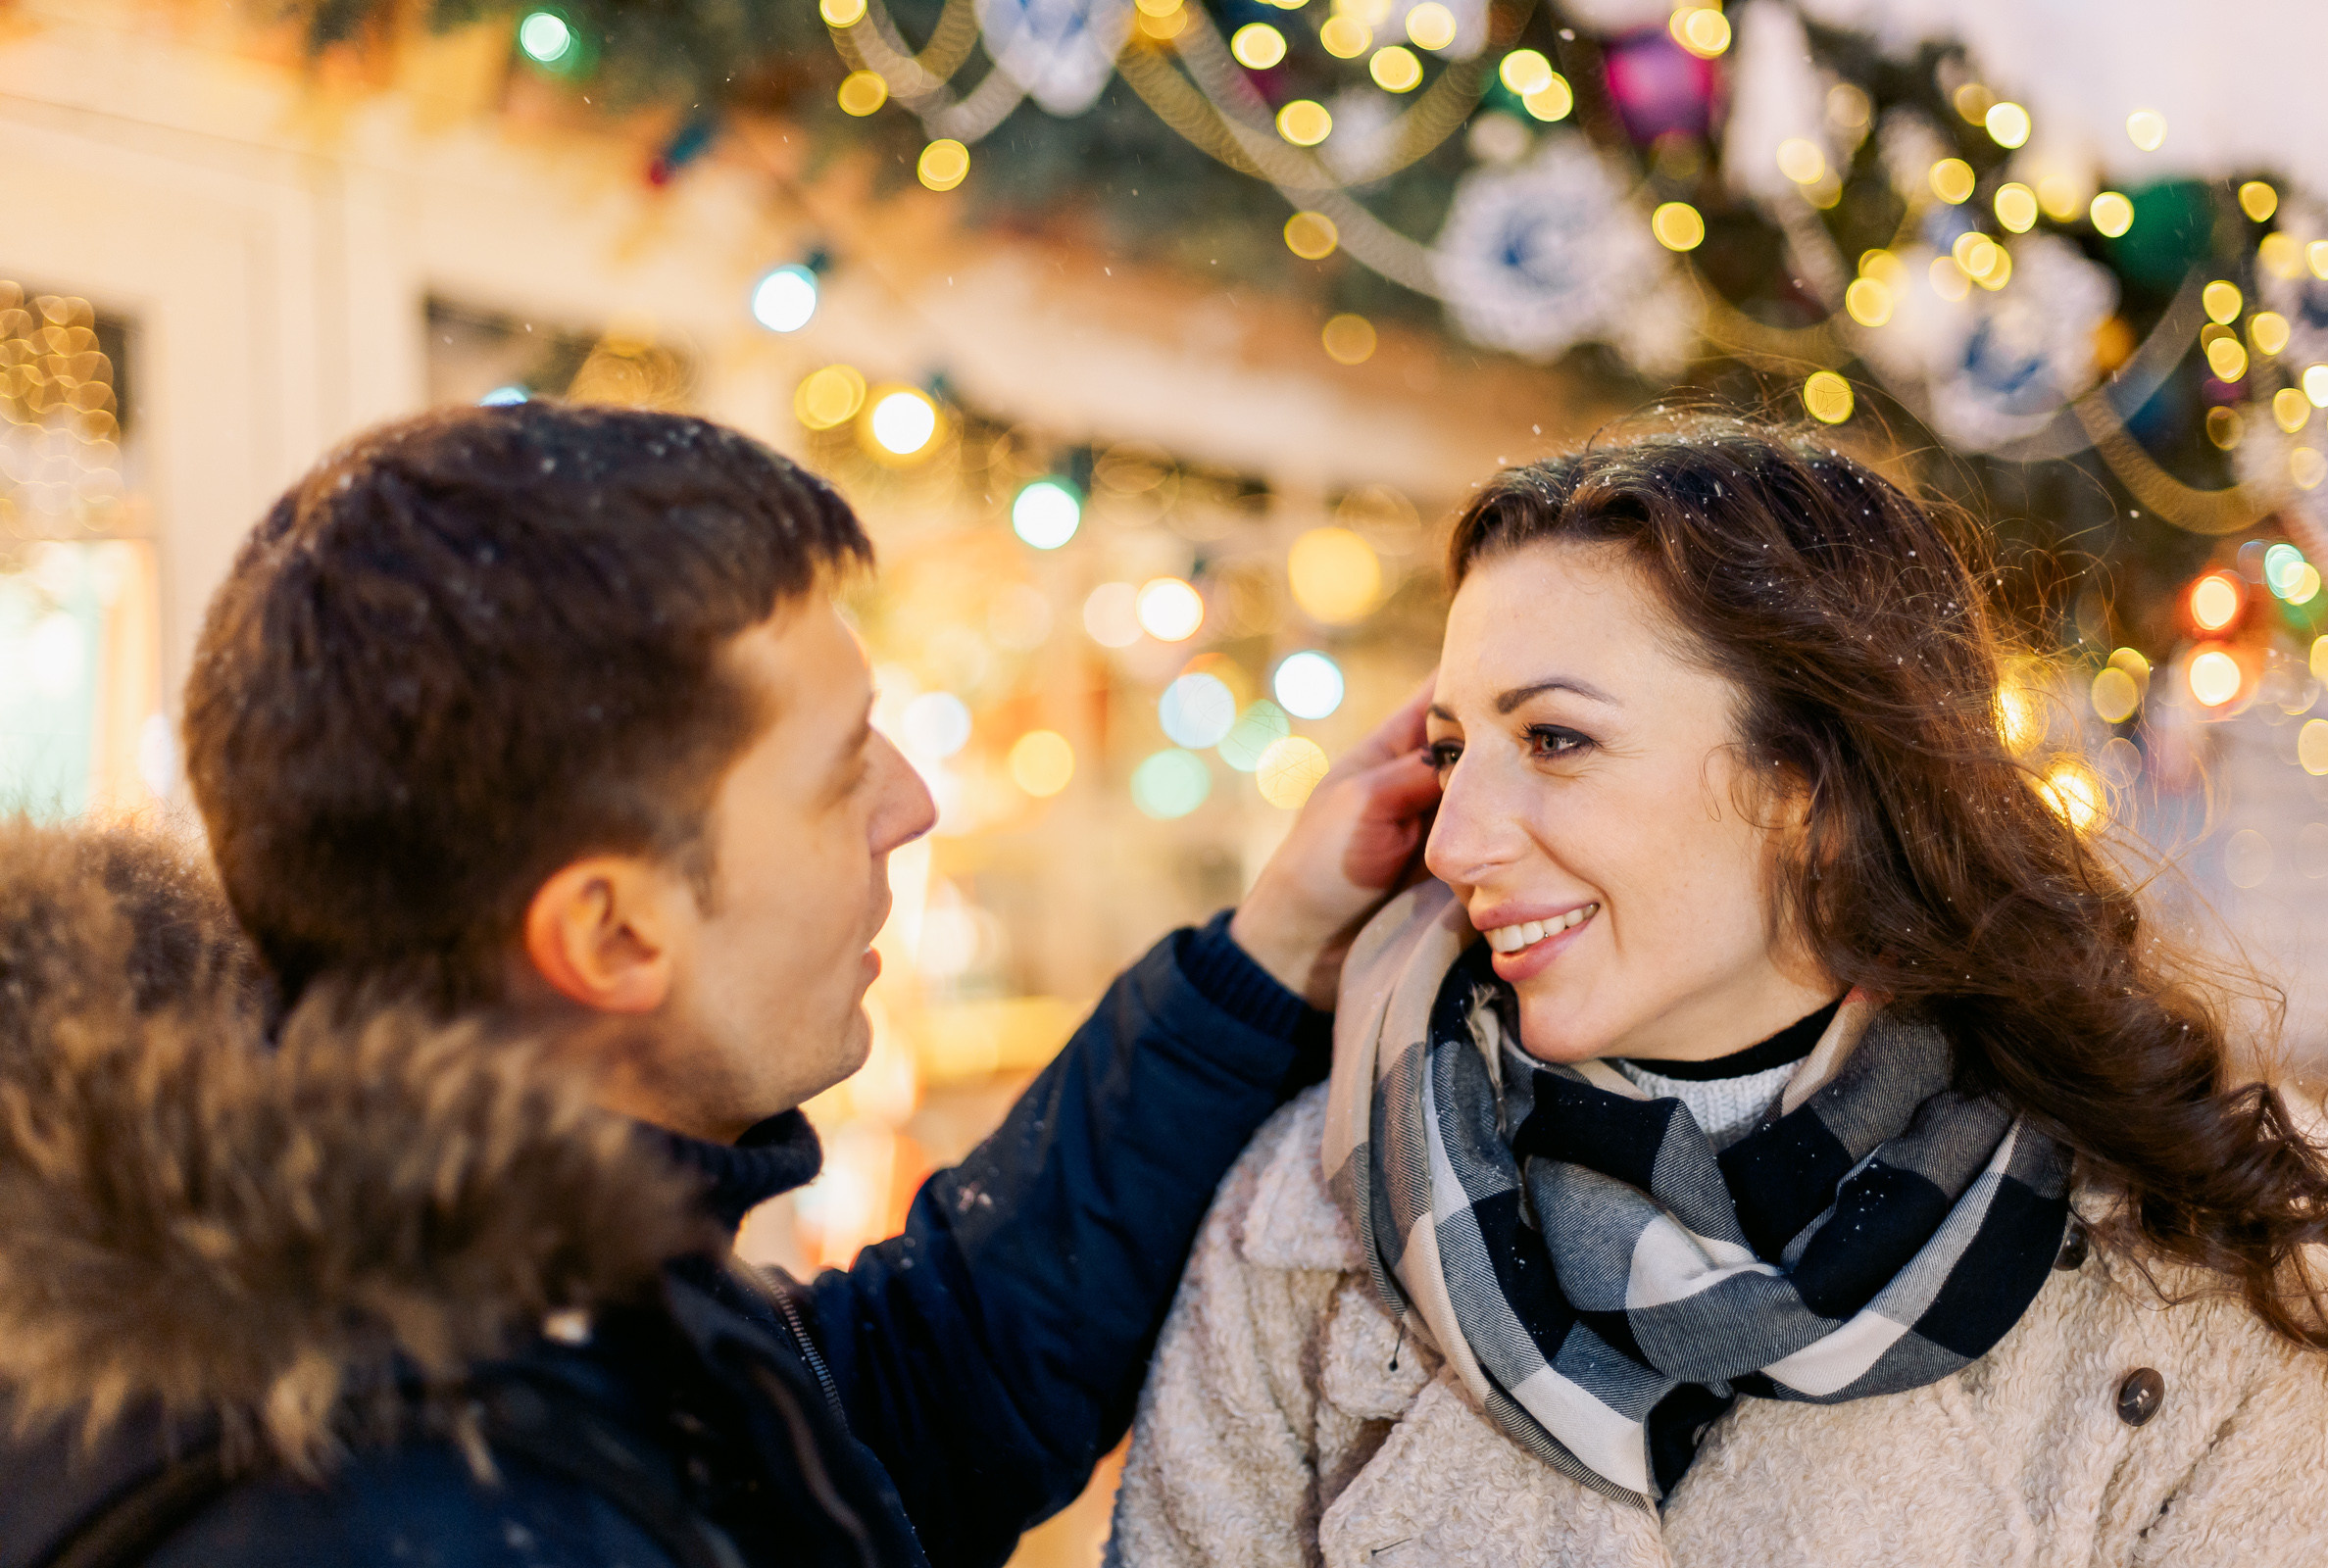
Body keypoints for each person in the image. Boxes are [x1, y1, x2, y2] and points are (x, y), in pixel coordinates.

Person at [0, 401, 1442, 1568]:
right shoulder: (421, 1507)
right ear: (614, 935)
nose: (913, 801)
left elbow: (901, 1408)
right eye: (838, 771)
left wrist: (1265, 957)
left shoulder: (483, 1296)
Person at [1109, 416, 2328, 1568]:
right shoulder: (1312, 1218)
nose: (1453, 840)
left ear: (1804, 784)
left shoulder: (2200, 1269)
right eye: (1450, 752)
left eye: (1553, 739)